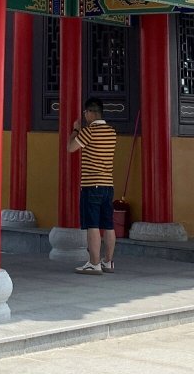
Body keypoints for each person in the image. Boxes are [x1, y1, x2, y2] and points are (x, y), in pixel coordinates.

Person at [68, 96, 118, 274]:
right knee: (109, 225)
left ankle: (94, 263)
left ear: (90, 112)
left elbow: (71, 147)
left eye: (85, 112)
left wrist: (75, 130)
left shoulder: (88, 132)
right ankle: (108, 262)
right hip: (108, 185)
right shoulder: (111, 132)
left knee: (93, 225)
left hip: (92, 185)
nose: (84, 115)